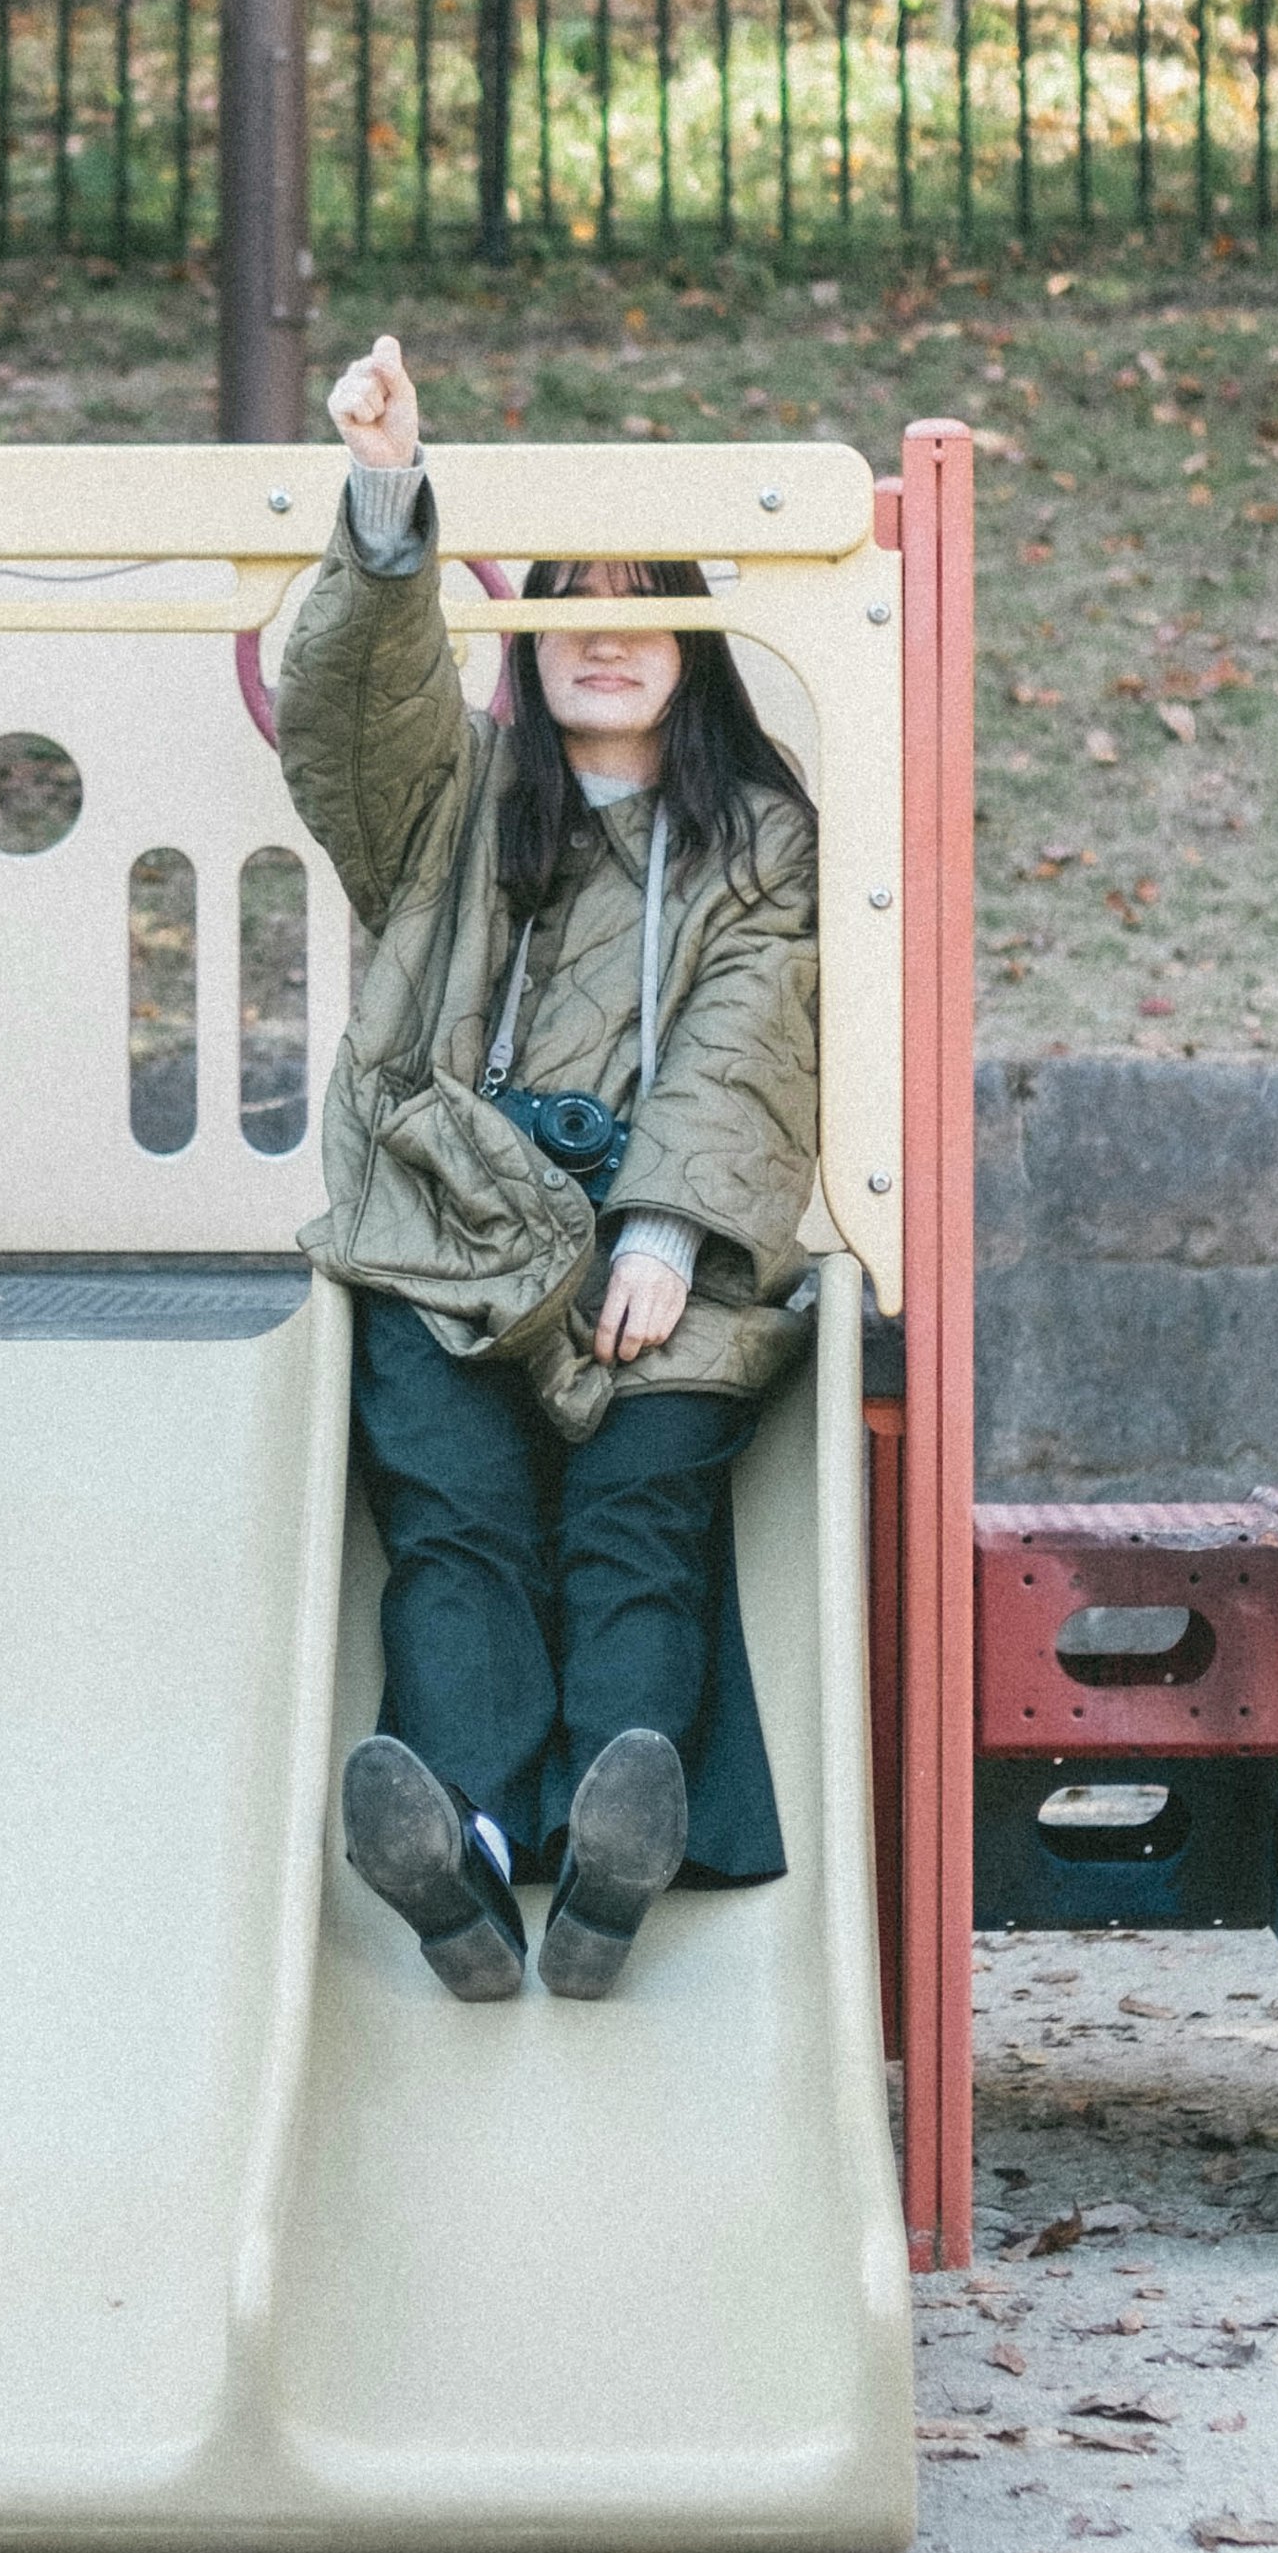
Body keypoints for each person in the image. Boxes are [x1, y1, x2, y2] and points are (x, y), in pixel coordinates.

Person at [276, 331, 824, 2003]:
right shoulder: (452, 802)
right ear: (524, 635)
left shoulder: (759, 843)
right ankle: (462, 1845)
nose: (601, 630)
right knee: (457, 1523)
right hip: (448, 1242)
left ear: (693, 642)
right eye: (567, 599)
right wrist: (386, 501)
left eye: (641, 599)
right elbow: (346, 723)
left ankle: (613, 1837)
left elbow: (742, 1042)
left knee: (637, 1517)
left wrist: (664, 1226)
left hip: (660, 1259)